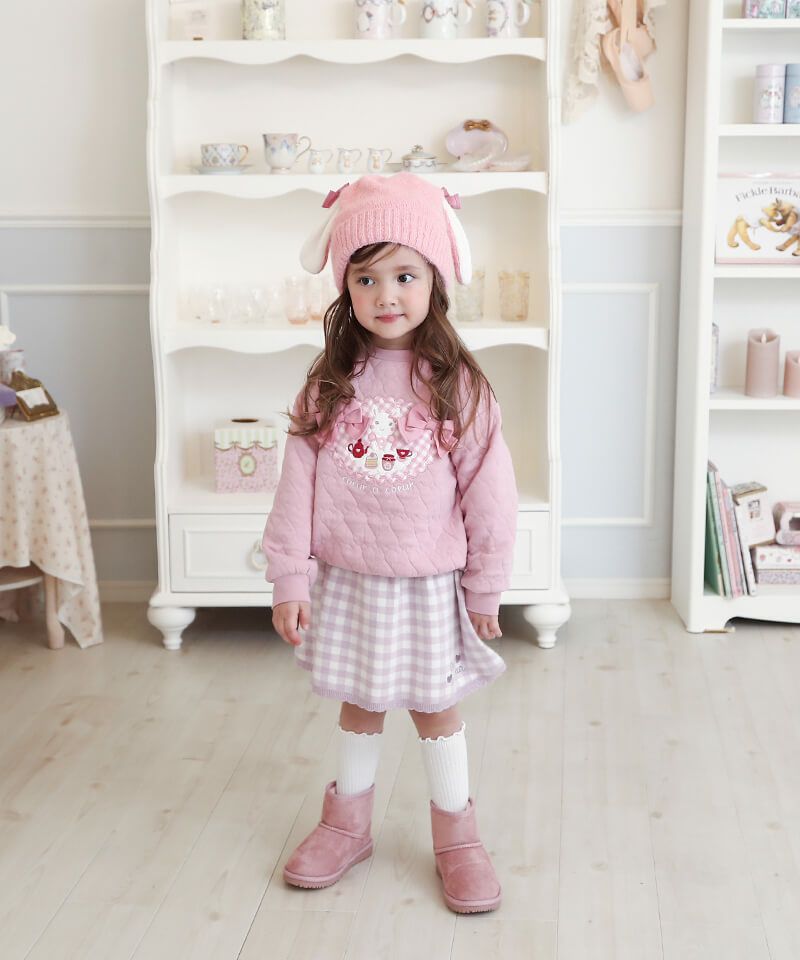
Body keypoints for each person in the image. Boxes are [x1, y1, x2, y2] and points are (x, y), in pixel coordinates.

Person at [261, 173, 518, 914]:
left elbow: (490, 495)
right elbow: (296, 487)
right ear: (346, 288)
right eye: (366, 278)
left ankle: (457, 839)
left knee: (436, 709)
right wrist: (290, 578)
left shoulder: (460, 387)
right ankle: (346, 826)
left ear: (435, 279)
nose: (386, 295)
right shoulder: (329, 384)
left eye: (405, 275)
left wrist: (485, 586)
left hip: (428, 581)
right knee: (359, 703)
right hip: (349, 578)